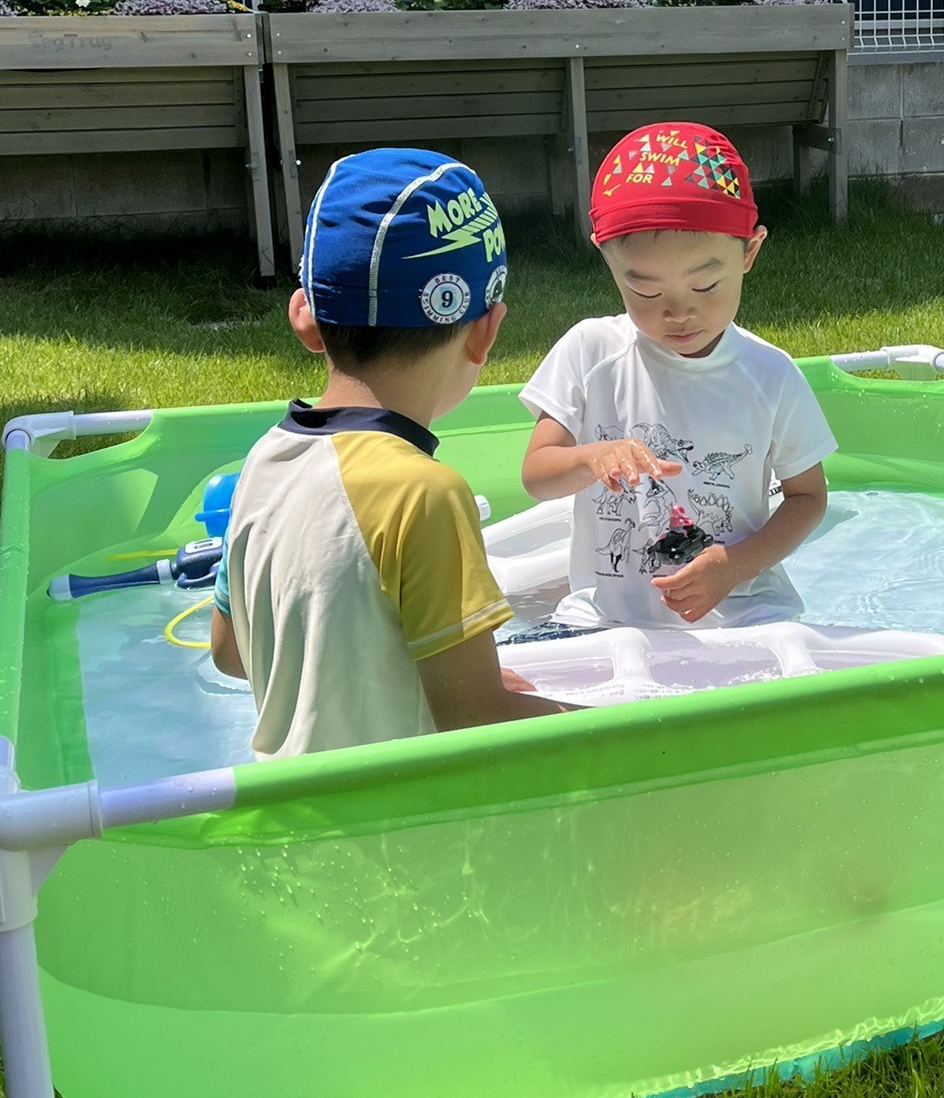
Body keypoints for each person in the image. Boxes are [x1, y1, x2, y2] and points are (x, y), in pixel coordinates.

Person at [210, 148, 567, 757]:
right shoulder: (424, 494)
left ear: (306, 318)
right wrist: (624, 718)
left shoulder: (263, 461)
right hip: (397, 836)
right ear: (487, 330)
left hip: (288, 823)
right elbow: (474, 720)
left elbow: (230, 652)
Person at [520, 121, 836, 630]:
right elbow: (537, 475)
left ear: (749, 253)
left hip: (742, 608)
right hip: (609, 615)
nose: (677, 313)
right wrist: (593, 455)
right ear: (610, 266)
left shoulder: (768, 374)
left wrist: (735, 566)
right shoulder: (591, 351)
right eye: (645, 292)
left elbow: (809, 497)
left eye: (706, 285)